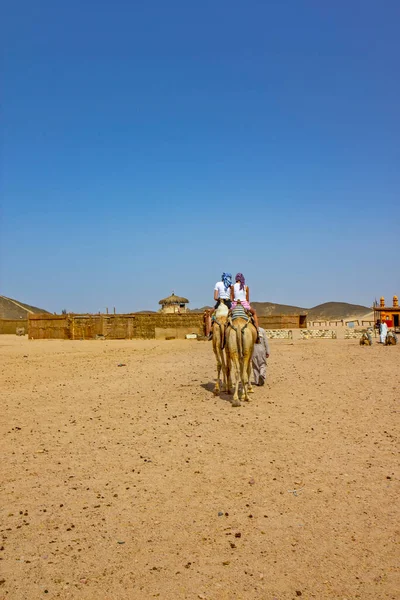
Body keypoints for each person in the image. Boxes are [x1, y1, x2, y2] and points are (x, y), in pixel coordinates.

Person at [206, 273, 233, 339]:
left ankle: (210, 332)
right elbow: (232, 298)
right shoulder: (231, 285)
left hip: (220, 302)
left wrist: (220, 299)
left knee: (209, 315)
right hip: (228, 303)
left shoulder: (218, 284)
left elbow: (215, 297)